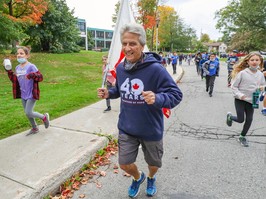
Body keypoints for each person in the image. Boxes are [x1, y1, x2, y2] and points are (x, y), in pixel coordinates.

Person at [97, 23, 182, 198]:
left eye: (132, 44)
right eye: (124, 43)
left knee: (154, 163)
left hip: (151, 129)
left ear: (142, 46)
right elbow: (120, 90)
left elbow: (176, 94)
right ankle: (138, 178)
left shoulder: (156, 69)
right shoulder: (121, 68)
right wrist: (109, 93)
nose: (127, 48)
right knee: (124, 164)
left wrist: (158, 98)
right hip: (127, 128)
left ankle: (151, 177)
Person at [5, 46, 50, 135]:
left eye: (21, 53)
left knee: (28, 112)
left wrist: (32, 75)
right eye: (17, 53)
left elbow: (40, 77)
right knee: (27, 113)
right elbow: (15, 80)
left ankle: (44, 117)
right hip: (23, 94)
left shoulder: (31, 66)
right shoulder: (17, 67)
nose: (19, 55)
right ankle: (35, 128)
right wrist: (9, 71)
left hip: (31, 93)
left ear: (27, 55)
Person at [226, 52, 265, 147]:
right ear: (248, 61)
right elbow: (234, 87)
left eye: (257, 60)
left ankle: (242, 137)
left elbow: (262, 84)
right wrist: (240, 95)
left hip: (252, 100)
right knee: (240, 119)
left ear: (260, 62)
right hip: (240, 99)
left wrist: (261, 88)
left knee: (249, 120)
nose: (254, 62)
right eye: (252, 60)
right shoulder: (242, 73)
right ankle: (230, 117)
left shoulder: (260, 74)